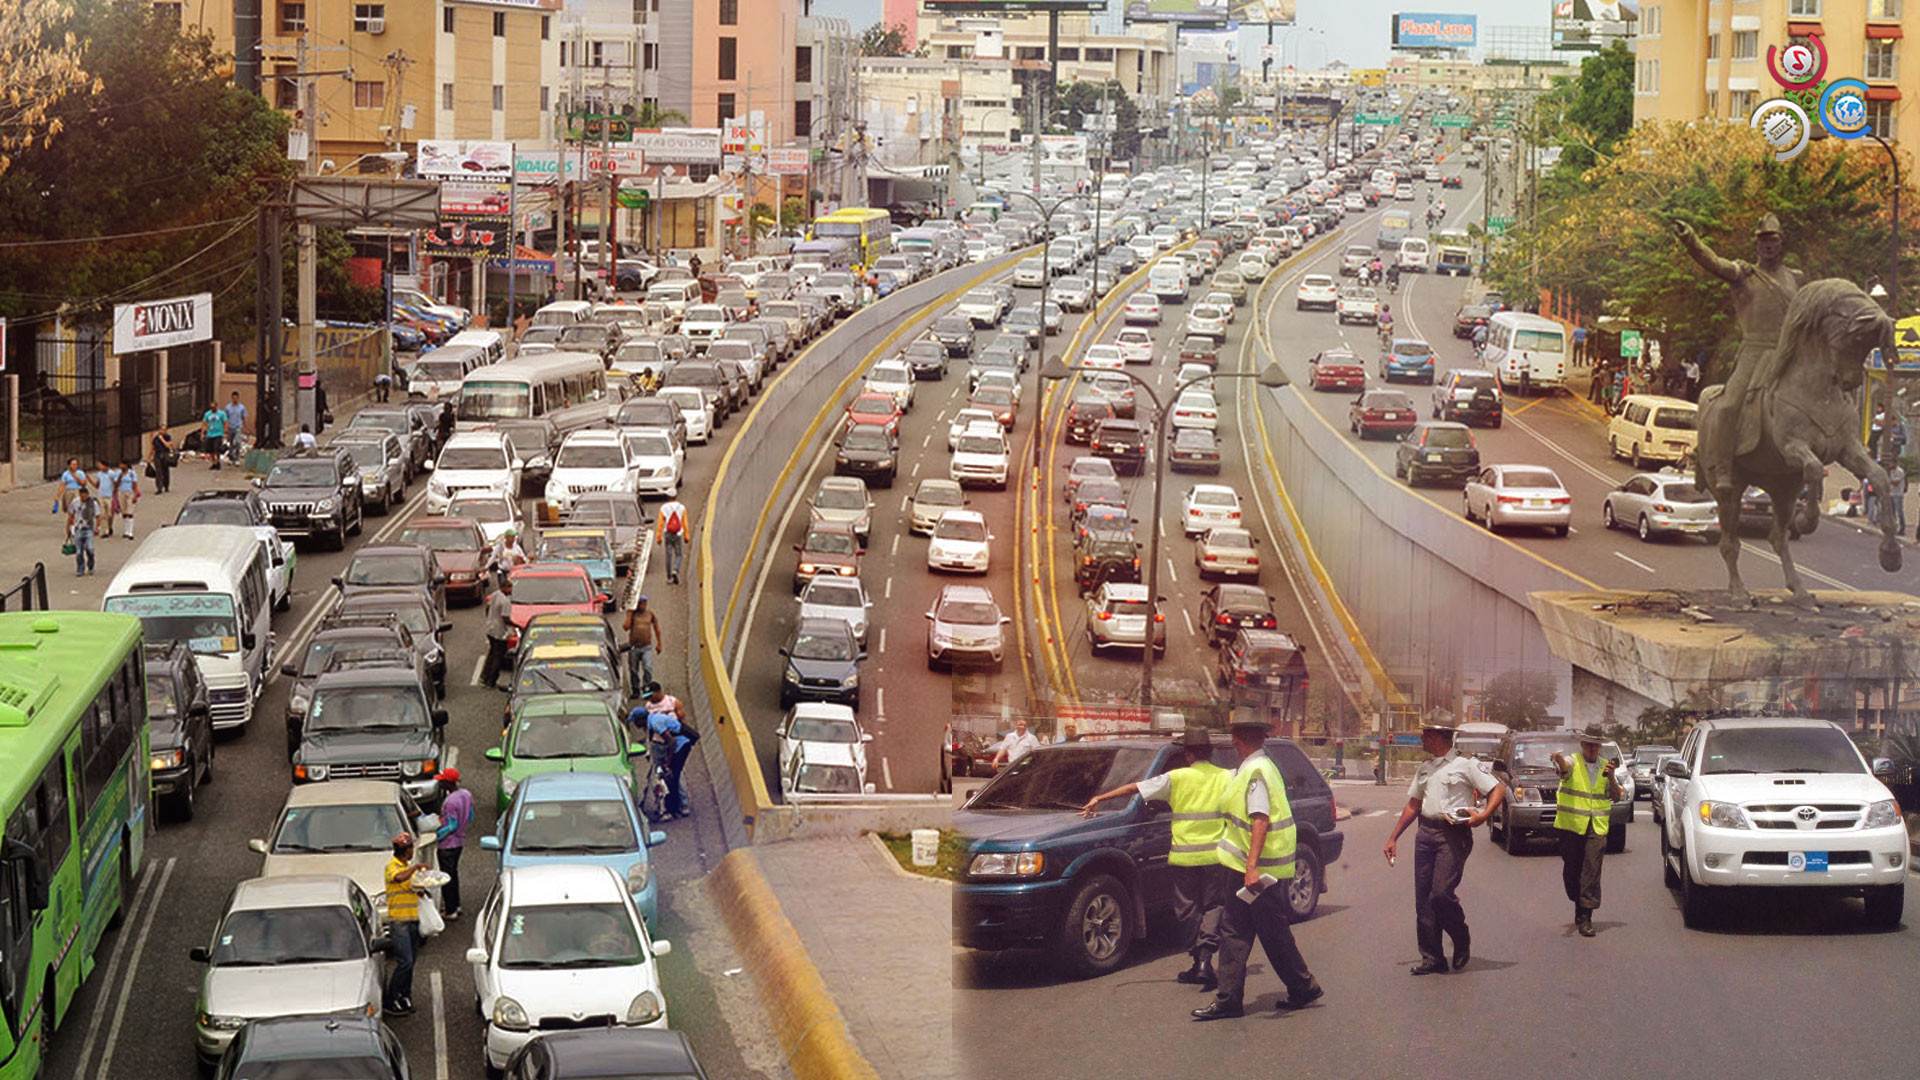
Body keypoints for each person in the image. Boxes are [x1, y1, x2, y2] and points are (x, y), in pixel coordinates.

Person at [1192, 718, 1323, 1021]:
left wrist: (1251, 868)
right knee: (1241, 930)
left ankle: (1299, 986)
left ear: (1238, 740)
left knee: (1262, 931)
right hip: (1249, 867)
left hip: (1253, 870)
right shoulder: (1257, 767)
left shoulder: (1256, 771)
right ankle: (1233, 998)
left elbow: (1259, 819)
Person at [1081, 729, 1230, 989]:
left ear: (1188, 754)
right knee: (1213, 907)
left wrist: (1099, 798)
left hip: (1185, 858)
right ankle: (1205, 961)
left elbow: (1136, 787)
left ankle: (1198, 961)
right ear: (1211, 752)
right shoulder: (1227, 777)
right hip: (1216, 856)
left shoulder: (1177, 777)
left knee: (1188, 910)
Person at [1382, 721, 1506, 975]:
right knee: (1424, 899)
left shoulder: (1466, 764)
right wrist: (1393, 837)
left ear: (1440, 736)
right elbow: (1414, 804)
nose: (1421, 739)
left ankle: (1460, 938)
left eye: (1425, 734)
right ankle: (1432, 958)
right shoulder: (1426, 768)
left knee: (1440, 893)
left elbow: (1498, 789)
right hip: (1425, 832)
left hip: (1453, 834)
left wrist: (1483, 816)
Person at [1554, 725, 1623, 938]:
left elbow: (1616, 796)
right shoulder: (1573, 761)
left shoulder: (1606, 766)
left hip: (1597, 827)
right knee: (1572, 871)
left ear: (1600, 746)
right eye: (1588, 745)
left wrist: (1611, 777)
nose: (1592, 748)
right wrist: (1558, 759)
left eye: (1596, 745)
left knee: (1591, 871)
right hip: (1572, 825)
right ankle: (1578, 903)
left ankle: (1586, 916)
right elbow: (1564, 769)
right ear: (1582, 745)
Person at [631, 683, 696, 817]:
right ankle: (669, 805)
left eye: (651, 695)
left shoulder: (672, 703)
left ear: (659, 692)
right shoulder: (648, 709)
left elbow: (675, 734)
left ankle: (681, 805)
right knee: (662, 775)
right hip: (659, 744)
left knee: (675, 775)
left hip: (675, 745)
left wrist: (668, 759)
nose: (649, 699)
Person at [382, 833, 425, 1016]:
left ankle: (404, 996)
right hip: (399, 922)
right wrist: (415, 868)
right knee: (405, 962)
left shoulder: (407, 868)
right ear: (404, 851)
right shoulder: (392, 866)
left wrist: (421, 889)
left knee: (411, 962)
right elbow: (399, 878)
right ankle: (391, 999)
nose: (412, 852)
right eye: (411, 849)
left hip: (412, 920)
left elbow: (413, 889)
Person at [432, 769, 472, 920]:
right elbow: (471, 815)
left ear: (448, 783)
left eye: (442, 780)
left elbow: (452, 826)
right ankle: (457, 904)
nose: (440, 783)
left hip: (448, 845)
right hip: (460, 841)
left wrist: (436, 835)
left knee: (447, 878)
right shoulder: (466, 795)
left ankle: (451, 910)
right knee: (453, 874)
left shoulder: (450, 802)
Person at [480, 577, 514, 690]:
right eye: (510, 588)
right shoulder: (505, 601)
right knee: (498, 656)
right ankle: (491, 680)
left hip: (490, 628)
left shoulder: (495, 595)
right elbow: (505, 618)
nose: (511, 590)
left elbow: (488, 607)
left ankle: (484, 676)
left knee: (491, 653)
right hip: (500, 632)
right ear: (505, 587)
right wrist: (515, 625)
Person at [624, 595, 662, 695]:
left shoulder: (650, 614)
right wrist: (629, 614)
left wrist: (659, 643)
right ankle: (635, 689)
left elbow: (657, 628)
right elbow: (626, 627)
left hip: (646, 647)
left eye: (644, 603)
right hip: (634, 647)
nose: (643, 605)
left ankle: (647, 688)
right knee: (633, 669)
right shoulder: (633, 614)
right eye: (641, 603)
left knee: (647, 667)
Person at [67, 485, 101, 576]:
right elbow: (71, 515)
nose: (83, 497)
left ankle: (91, 565)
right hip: (78, 528)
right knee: (79, 552)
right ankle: (80, 569)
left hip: (88, 528)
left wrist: (97, 528)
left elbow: (98, 516)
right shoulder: (75, 502)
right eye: (81, 495)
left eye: (85, 495)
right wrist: (69, 527)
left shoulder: (92, 503)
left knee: (89, 548)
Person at [657, 496, 690, 585]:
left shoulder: (663, 508)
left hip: (668, 533)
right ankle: (675, 569)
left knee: (668, 555)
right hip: (678, 534)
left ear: (667, 497)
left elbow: (660, 524)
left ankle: (669, 578)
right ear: (675, 496)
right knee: (679, 554)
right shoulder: (681, 508)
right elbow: (685, 523)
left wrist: (659, 537)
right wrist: (686, 536)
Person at [111, 459, 140, 540]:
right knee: (124, 512)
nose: (121, 466)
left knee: (130, 511)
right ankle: (126, 531)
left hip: (130, 492)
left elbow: (134, 484)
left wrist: (135, 494)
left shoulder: (131, 473)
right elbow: (116, 485)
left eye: (123, 465)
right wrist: (119, 478)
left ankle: (130, 531)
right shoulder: (118, 473)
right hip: (121, 492)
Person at [201, 401, 227, 470]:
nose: (212, 409)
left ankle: (218, 462)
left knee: (217, 448)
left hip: (218, 433)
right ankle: (214, 463)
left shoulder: (221, 414)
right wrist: (203, 433)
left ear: (216, 407)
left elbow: (225, 422)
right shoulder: (207, 414)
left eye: (214, 407)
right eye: (211, 407)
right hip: (210, 434)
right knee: (210, 450)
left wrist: (225, 433)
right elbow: (204, 423)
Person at [224, 392, 248, 463]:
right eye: (233, 398)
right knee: (230, 443)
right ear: (232, 398)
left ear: (238, 398)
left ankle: (237, 457)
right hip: (230, 427)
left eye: (236, 398)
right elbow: (226, 418)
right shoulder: (228, 407)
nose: (235, 399)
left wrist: (245, 427)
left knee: (237, 442)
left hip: (238, 427)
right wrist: (225, 427)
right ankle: (231, 457)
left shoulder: (241, 407)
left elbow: (243, 417)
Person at [149, 429, 174, 494]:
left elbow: (168, 445)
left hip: (165, 455)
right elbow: (153, 447)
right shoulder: (156, 438)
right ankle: (159, 488)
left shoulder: (167, 437)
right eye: (160, 430)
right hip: (157, 455)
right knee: (158, 472)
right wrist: (149, 457)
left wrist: (162, 439)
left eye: (163, 430)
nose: (161, 431)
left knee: (165, 471)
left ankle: (166, 486)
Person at [1887, 463, 1908, 536]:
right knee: (1892, 512)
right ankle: (1894, 527)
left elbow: (1896, 482)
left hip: (1898, 494)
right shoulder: (1891, 471)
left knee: (1899, 512)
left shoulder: (1900, 471)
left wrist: (1888, 481)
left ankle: (1902, 528)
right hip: (1891, 493)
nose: (1890, 465)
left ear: (1894, 463)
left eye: (1891, 463)